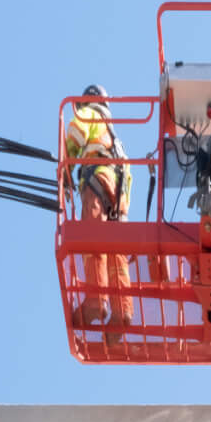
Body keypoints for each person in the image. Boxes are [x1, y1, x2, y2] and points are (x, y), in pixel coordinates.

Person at [62, 86, 136, 341]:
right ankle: (122, 311)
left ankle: (96, 299)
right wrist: (123, 211)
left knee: (92, 237)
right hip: (118, 191)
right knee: (116, 251)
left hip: (97, 178)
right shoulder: (116, 140)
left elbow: (72, 136)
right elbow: (128, 174)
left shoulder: (89, 115)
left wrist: (63, 171)